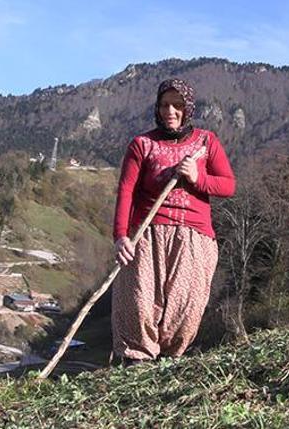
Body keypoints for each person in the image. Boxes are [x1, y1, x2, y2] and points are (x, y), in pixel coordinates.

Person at [112, 77, 235, 365]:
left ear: (187, 107)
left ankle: (169, 361)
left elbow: (228, 186)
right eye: (164, 105)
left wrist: (197, 177)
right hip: (147, 235)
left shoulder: (206, 142)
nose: (170, 111)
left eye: (177, 105)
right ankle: (136, 364)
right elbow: (126, 192)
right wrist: (120, 236)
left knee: (186, 306)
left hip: (193, 236)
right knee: (140, 303)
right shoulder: (142, 144)